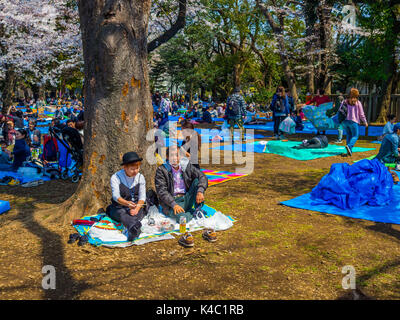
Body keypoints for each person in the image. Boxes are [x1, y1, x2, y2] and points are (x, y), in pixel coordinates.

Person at [155, 145, 208, 224]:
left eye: (177, 155)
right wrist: (174, 204)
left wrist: (200, 191)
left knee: (197, 182)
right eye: (171, 155)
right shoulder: (162, 170)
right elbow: (162, 191)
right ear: (167, 157)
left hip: (186, 198)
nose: (174, 158)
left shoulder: (186, 165)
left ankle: (197, 209)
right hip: (172, 203)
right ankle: (193, 213)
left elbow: (202, 176)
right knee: (183, 219)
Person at [106, 152, 148, 241]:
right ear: (125, 167)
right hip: (120, 206)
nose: (135, 171)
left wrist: (136, 208)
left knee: (136, 214)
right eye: (132, 169)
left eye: (137, 168)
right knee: (121, 213)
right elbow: (115, 196)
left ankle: (133, 227)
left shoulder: (140, 177)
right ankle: (134, 227)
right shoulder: (116, 177)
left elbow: (142, 197)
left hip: (136, 207)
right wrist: (126, 203)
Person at [340, 88, 368, 157]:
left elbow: (340, 110)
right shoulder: (358, 103)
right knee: (355, 135)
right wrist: (365, 122)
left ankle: (349, 152)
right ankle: (349, 146)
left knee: (349, 135)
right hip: (353, 121)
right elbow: (361, 114)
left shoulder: (344, 101)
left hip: (345, 121)